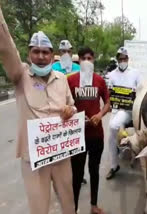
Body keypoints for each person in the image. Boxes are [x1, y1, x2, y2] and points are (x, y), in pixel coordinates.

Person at [0, 7, 76, 214]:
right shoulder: (20, 75)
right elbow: (6, 48)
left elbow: (73, 105)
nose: (41, 56)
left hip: (61, 154)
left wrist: (70, 110)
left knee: (68, 204)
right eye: (36, 51)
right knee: (39, 208)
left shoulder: (62, 79)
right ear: (29, 54)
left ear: (52, 56)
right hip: (34, 158)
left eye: (45, 52)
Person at [68, 47, 110, 214]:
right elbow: (65, 103)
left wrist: (100, 114)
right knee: (77, 175)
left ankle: (93, 205)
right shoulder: (70, 81)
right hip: (77, 135)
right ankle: (74, 208)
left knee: (94, 171)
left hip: (96, 135)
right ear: (79, 61)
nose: (87, 61)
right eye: (83, 58)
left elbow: (107, 102)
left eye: (89, 58)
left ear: (93, 60)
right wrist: (72, 113)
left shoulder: (99, 80)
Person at [106, 47, 140, 180]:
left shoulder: (135, 73)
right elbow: (109, 92)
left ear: (128, 59)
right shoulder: (111, 74)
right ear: (117, 60)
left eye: (124, 58)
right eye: (120, 59)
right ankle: (114, 166)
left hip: (129, 109)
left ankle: (128, 144)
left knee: (113, 126)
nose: (122, 61)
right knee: (111, 136)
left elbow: (141, 89)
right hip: (116, 109)